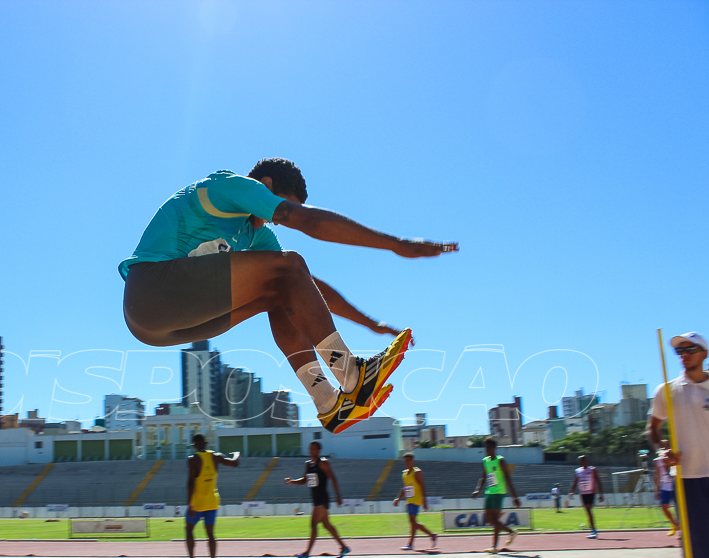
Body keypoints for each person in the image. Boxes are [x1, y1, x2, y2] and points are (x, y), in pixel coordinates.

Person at [119, 159, 458, 433]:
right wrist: (396, 244)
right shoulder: (231, 186)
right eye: (280, 206)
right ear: (265, 187)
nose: (276, 222)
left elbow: (307, 287)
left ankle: (327, 401)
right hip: (152, 290)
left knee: (284, 290)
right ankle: (352, 375)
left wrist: (371, 323)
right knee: (289, 267)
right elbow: (308, 223)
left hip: (166, 327)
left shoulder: (256, 238)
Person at [648, 331, 709, 558]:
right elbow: (653, 429)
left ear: (704, 353)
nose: (684, 354)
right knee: (696, 542)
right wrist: (663, 449)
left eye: (690, 349)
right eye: (680, 351)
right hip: (688, 477)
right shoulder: (667, 390)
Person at [183, 434, 239, 558]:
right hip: (212, 501)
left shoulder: (193, 460)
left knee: (189, 529)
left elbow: (190, 483)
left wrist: (190, 504)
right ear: (206, 443)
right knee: (210, 534)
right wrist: (237, 455)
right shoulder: (216, 456)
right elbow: (234, 463)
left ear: (194, 445)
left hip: (197, 502)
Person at [285, 441, 351, 558]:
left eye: (313, 449)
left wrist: (338, 495)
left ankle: (307, 553)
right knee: (326, 525)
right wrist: (292, 481)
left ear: (319, 451)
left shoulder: (323, 463)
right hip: (315, 498)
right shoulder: (308, 464)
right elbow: (304, 480)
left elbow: (333, 478)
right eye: (310, 449)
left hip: (322, 498)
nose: (311, 451)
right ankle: (344, 547)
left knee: (313, 523)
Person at [471, 437, 521, 553]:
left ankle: (494, 547)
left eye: (488, 447)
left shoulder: (500, 461)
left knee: (494, 519)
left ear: (494, 448)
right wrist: (477, 490)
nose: (486, 449)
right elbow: (484, 477)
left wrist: (515, 496)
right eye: (485, 447)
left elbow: (508, 478)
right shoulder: (485, 461)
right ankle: (511, 532)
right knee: (490, 520)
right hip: (489, 492)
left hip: (499, 492)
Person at [392, 453, 438, 551]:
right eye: (405, 461)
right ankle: (432, 535)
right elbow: (405, 488)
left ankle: (410, 544)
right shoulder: (404, 473)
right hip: (409, 500)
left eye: (408, 460)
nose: (406, 463)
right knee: (413, 522)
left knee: (412, 521)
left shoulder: (417, 472)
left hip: (416, 499)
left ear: (412, 461)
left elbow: (422, 486)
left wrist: (424, 501)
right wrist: (398, 498)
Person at [569, 455, 604, 539]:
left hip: (591, 492)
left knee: (588, 509)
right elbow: (575, 481)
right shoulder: (578, 471)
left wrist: (601, 494)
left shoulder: (592, 470)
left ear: (586, 460)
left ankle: (594, 530)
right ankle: (593, 529)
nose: (581, 462)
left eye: (583, 460)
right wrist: (572, 491)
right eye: (580, 461)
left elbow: (598, 481)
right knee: (588, 511)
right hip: (583, 493)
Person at [653, 450, 680, 536]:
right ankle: (675, 524)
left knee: (679, 508)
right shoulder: (658, 462)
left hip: (675, 487)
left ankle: (683, 528)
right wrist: (656, 490)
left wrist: (671, 460)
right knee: (664, 507)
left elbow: (677, 462)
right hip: (665, 487)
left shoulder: (674, 460)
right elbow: (657, 476)